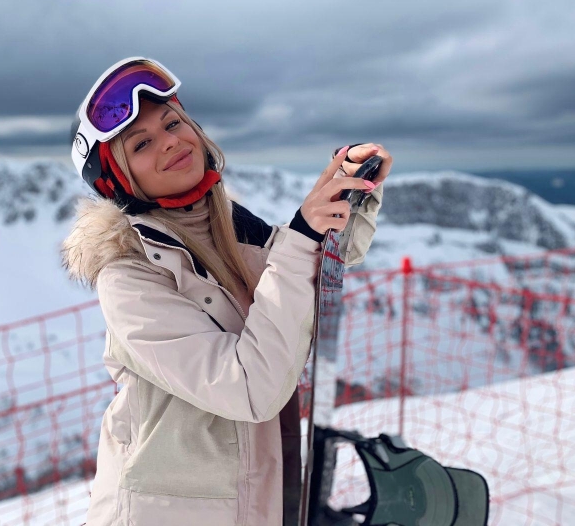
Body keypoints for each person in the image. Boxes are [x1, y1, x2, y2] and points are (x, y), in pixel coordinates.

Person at [61, 57, 392, 526]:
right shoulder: (129, 277)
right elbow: (249, 388)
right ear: (118, 179)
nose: (170, 141)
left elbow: (314, 274)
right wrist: (303, 235)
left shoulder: (232, 231)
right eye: (142, 144)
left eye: (172, 123)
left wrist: (346, 196)